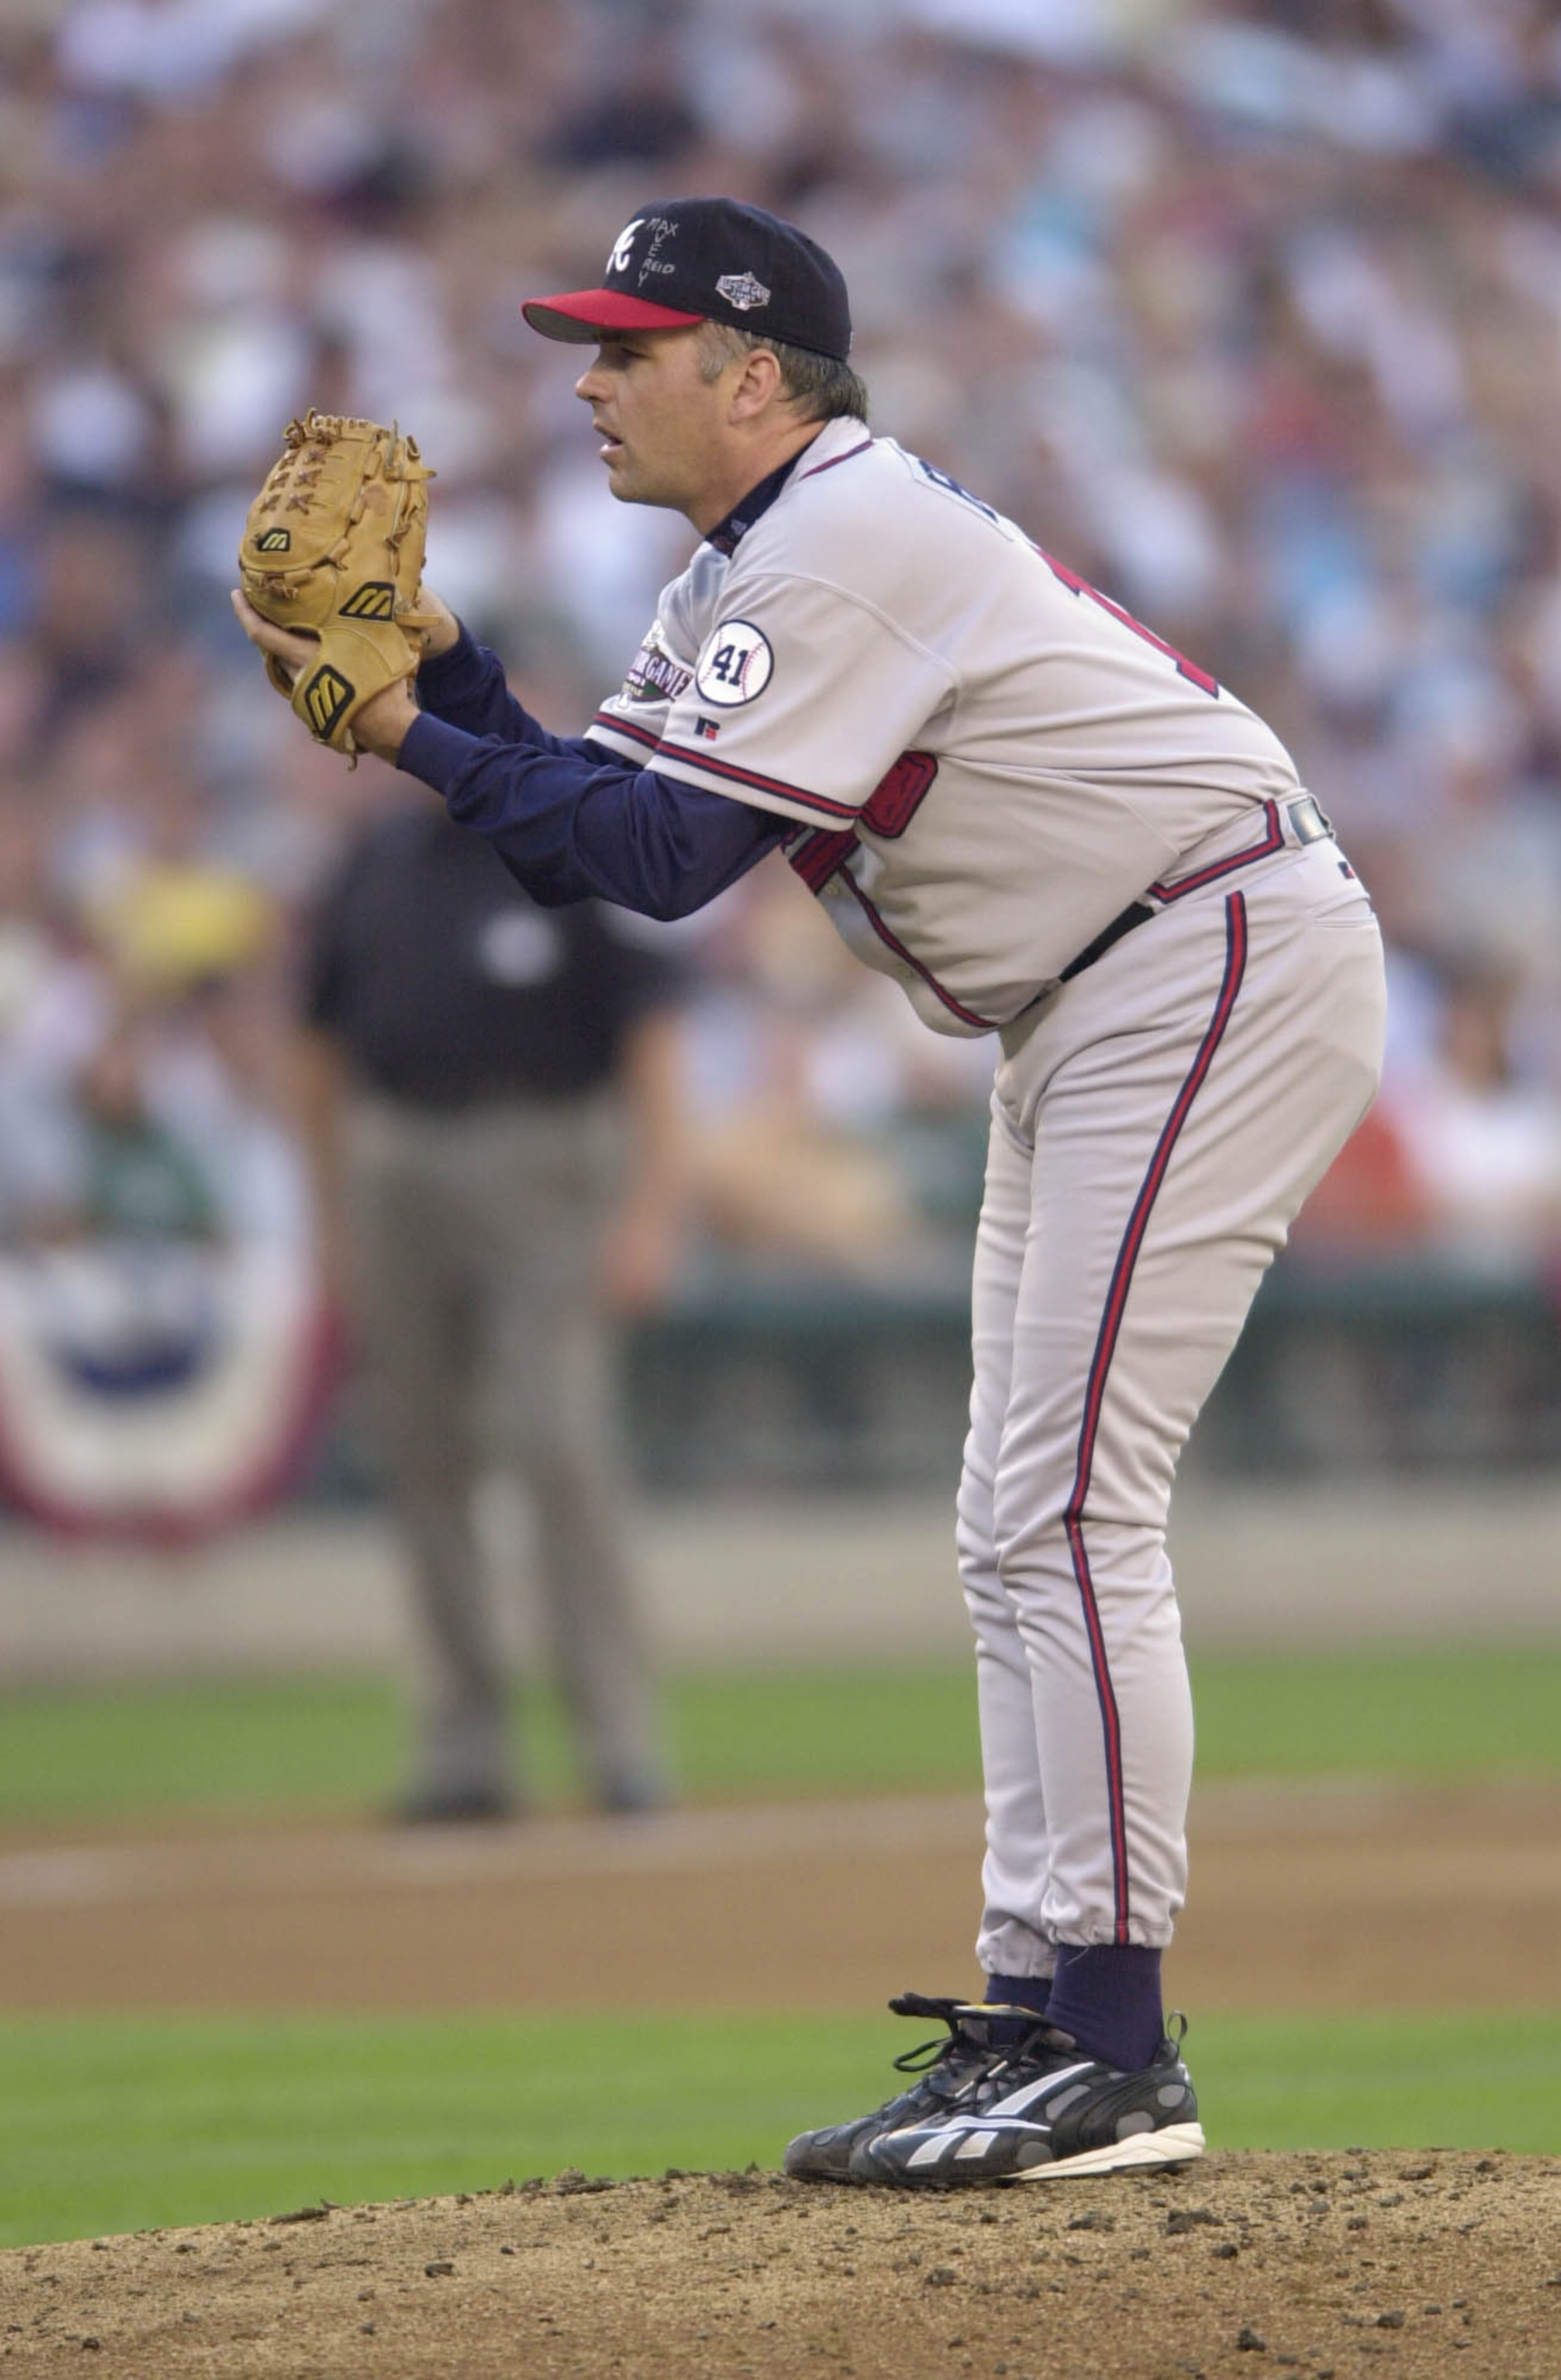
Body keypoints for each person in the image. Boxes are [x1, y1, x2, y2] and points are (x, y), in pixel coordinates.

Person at [235, 195, 1387, 2182]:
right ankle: (1036, 2009)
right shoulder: (746, 562)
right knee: (1008, 1520)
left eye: (630, 349)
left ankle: (1115, 2046)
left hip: (1206, 951)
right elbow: (601, 824)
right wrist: (461, 673)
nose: (592, 383)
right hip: (1104, 986)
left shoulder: (844, 535)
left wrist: (411, 731)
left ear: (752, 372)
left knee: (1064, 1507)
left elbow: (666, 865)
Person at [295, 790, 685, 1821]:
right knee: (422, 1451)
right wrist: (328, 1217)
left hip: (547, 1161)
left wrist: (651, 1211)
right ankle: (463, 1746)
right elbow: (317, 1046)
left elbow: (652, 1035)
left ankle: (618, 1739)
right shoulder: (374, 858)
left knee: (558, 1441)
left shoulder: (562, 834)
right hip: (396, 1157)